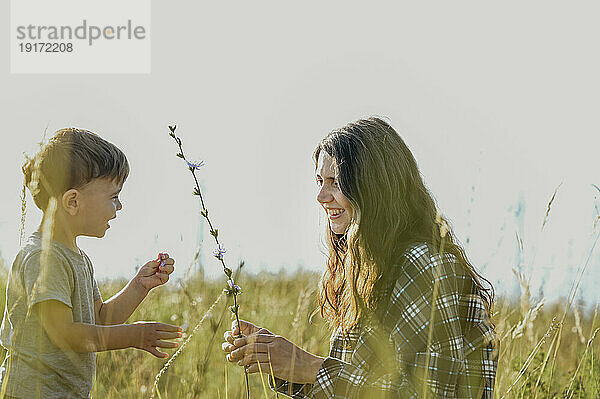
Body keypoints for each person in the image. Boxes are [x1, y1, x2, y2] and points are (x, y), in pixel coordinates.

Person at [223, 117, 498, 398]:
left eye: (335, 182)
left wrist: (307, 365)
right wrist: (278, 360)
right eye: (319, 181)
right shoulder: (368, 269)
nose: (320, 195)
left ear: (373, 187)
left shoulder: (423, 265)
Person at [0, 128, 182, 399]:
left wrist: (139, 286)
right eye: (113, 197)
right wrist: (134, 335)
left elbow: (99, 319)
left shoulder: (76, 257)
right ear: (73, 201)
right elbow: (65, 334)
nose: (119, 207)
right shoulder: (43, 257)